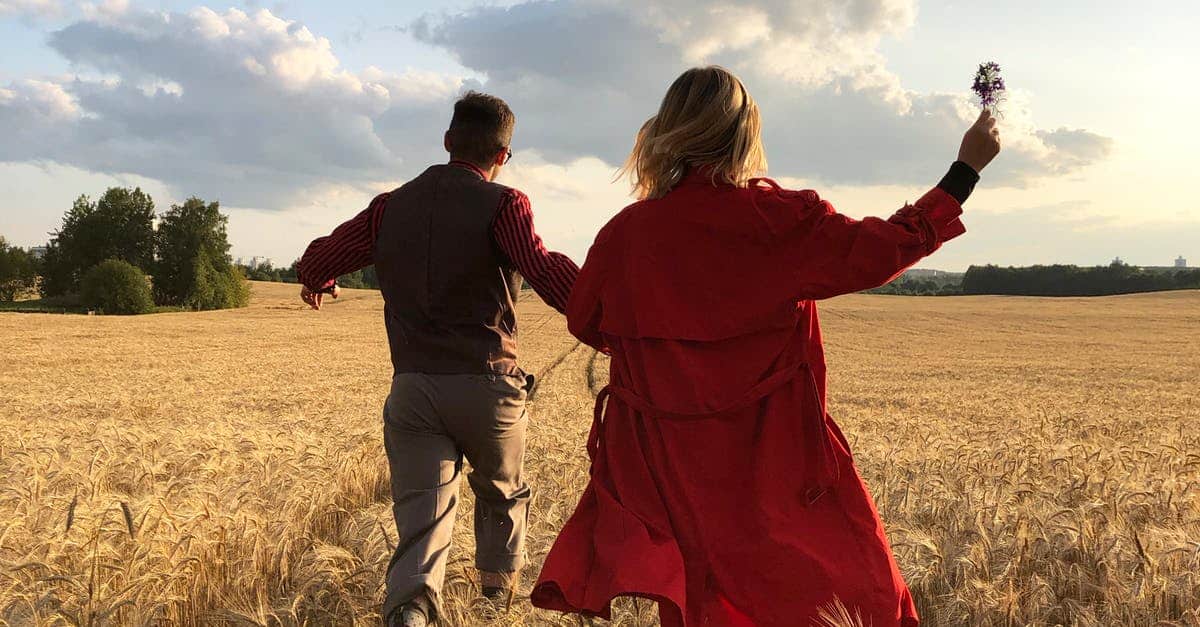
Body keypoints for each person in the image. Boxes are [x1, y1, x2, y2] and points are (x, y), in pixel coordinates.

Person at [531, 66, 1000, 626]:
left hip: (673, 469)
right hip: (781, 461)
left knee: (703, 598)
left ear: (666, 131)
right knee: (854, 590)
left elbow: (588, 319)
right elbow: (883, 249)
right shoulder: (779, 222)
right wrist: (963, 172)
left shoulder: (626, 233)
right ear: (744, 134)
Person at [295, 91, 579, 627]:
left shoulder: (389, 208)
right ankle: (495, 604)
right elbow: (541, 268)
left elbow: (318, 257)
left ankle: (411, 612)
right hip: (487, 384)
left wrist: (320, 278)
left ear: (447, 142)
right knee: (503, 495)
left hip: (414, 390)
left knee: (422, 520)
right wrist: (602, 312)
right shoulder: (504, 204)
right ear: (504, 155)